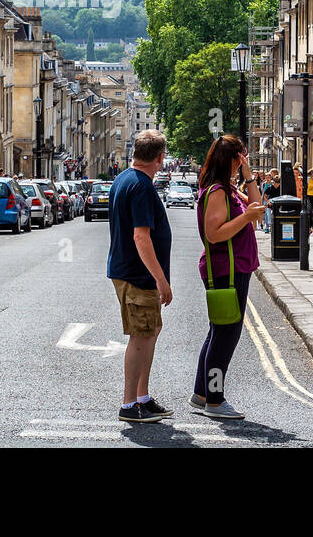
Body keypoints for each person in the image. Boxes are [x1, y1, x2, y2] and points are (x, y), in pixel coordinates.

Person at [191, 135, 265, 419]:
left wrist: (249, 178)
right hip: (226, 270)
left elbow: (257, 210)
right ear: (232, 159)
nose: (244, 161)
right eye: (242, 157)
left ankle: (201, 394)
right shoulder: (218, 192)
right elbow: (214, 234)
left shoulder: (230, 189)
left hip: (236, 267)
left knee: (218, 332)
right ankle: (215, 400)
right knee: (226, 334)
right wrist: (245, 218)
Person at [107, 129, 174, 423]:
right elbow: (141, 237)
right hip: (137, 275)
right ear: (160, 159)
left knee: (150, 333)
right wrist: (161, 279)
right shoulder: (142, 187)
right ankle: (129, 404)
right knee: (139, 337)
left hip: (133, 273)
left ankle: (143, 398)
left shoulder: (123, 178)